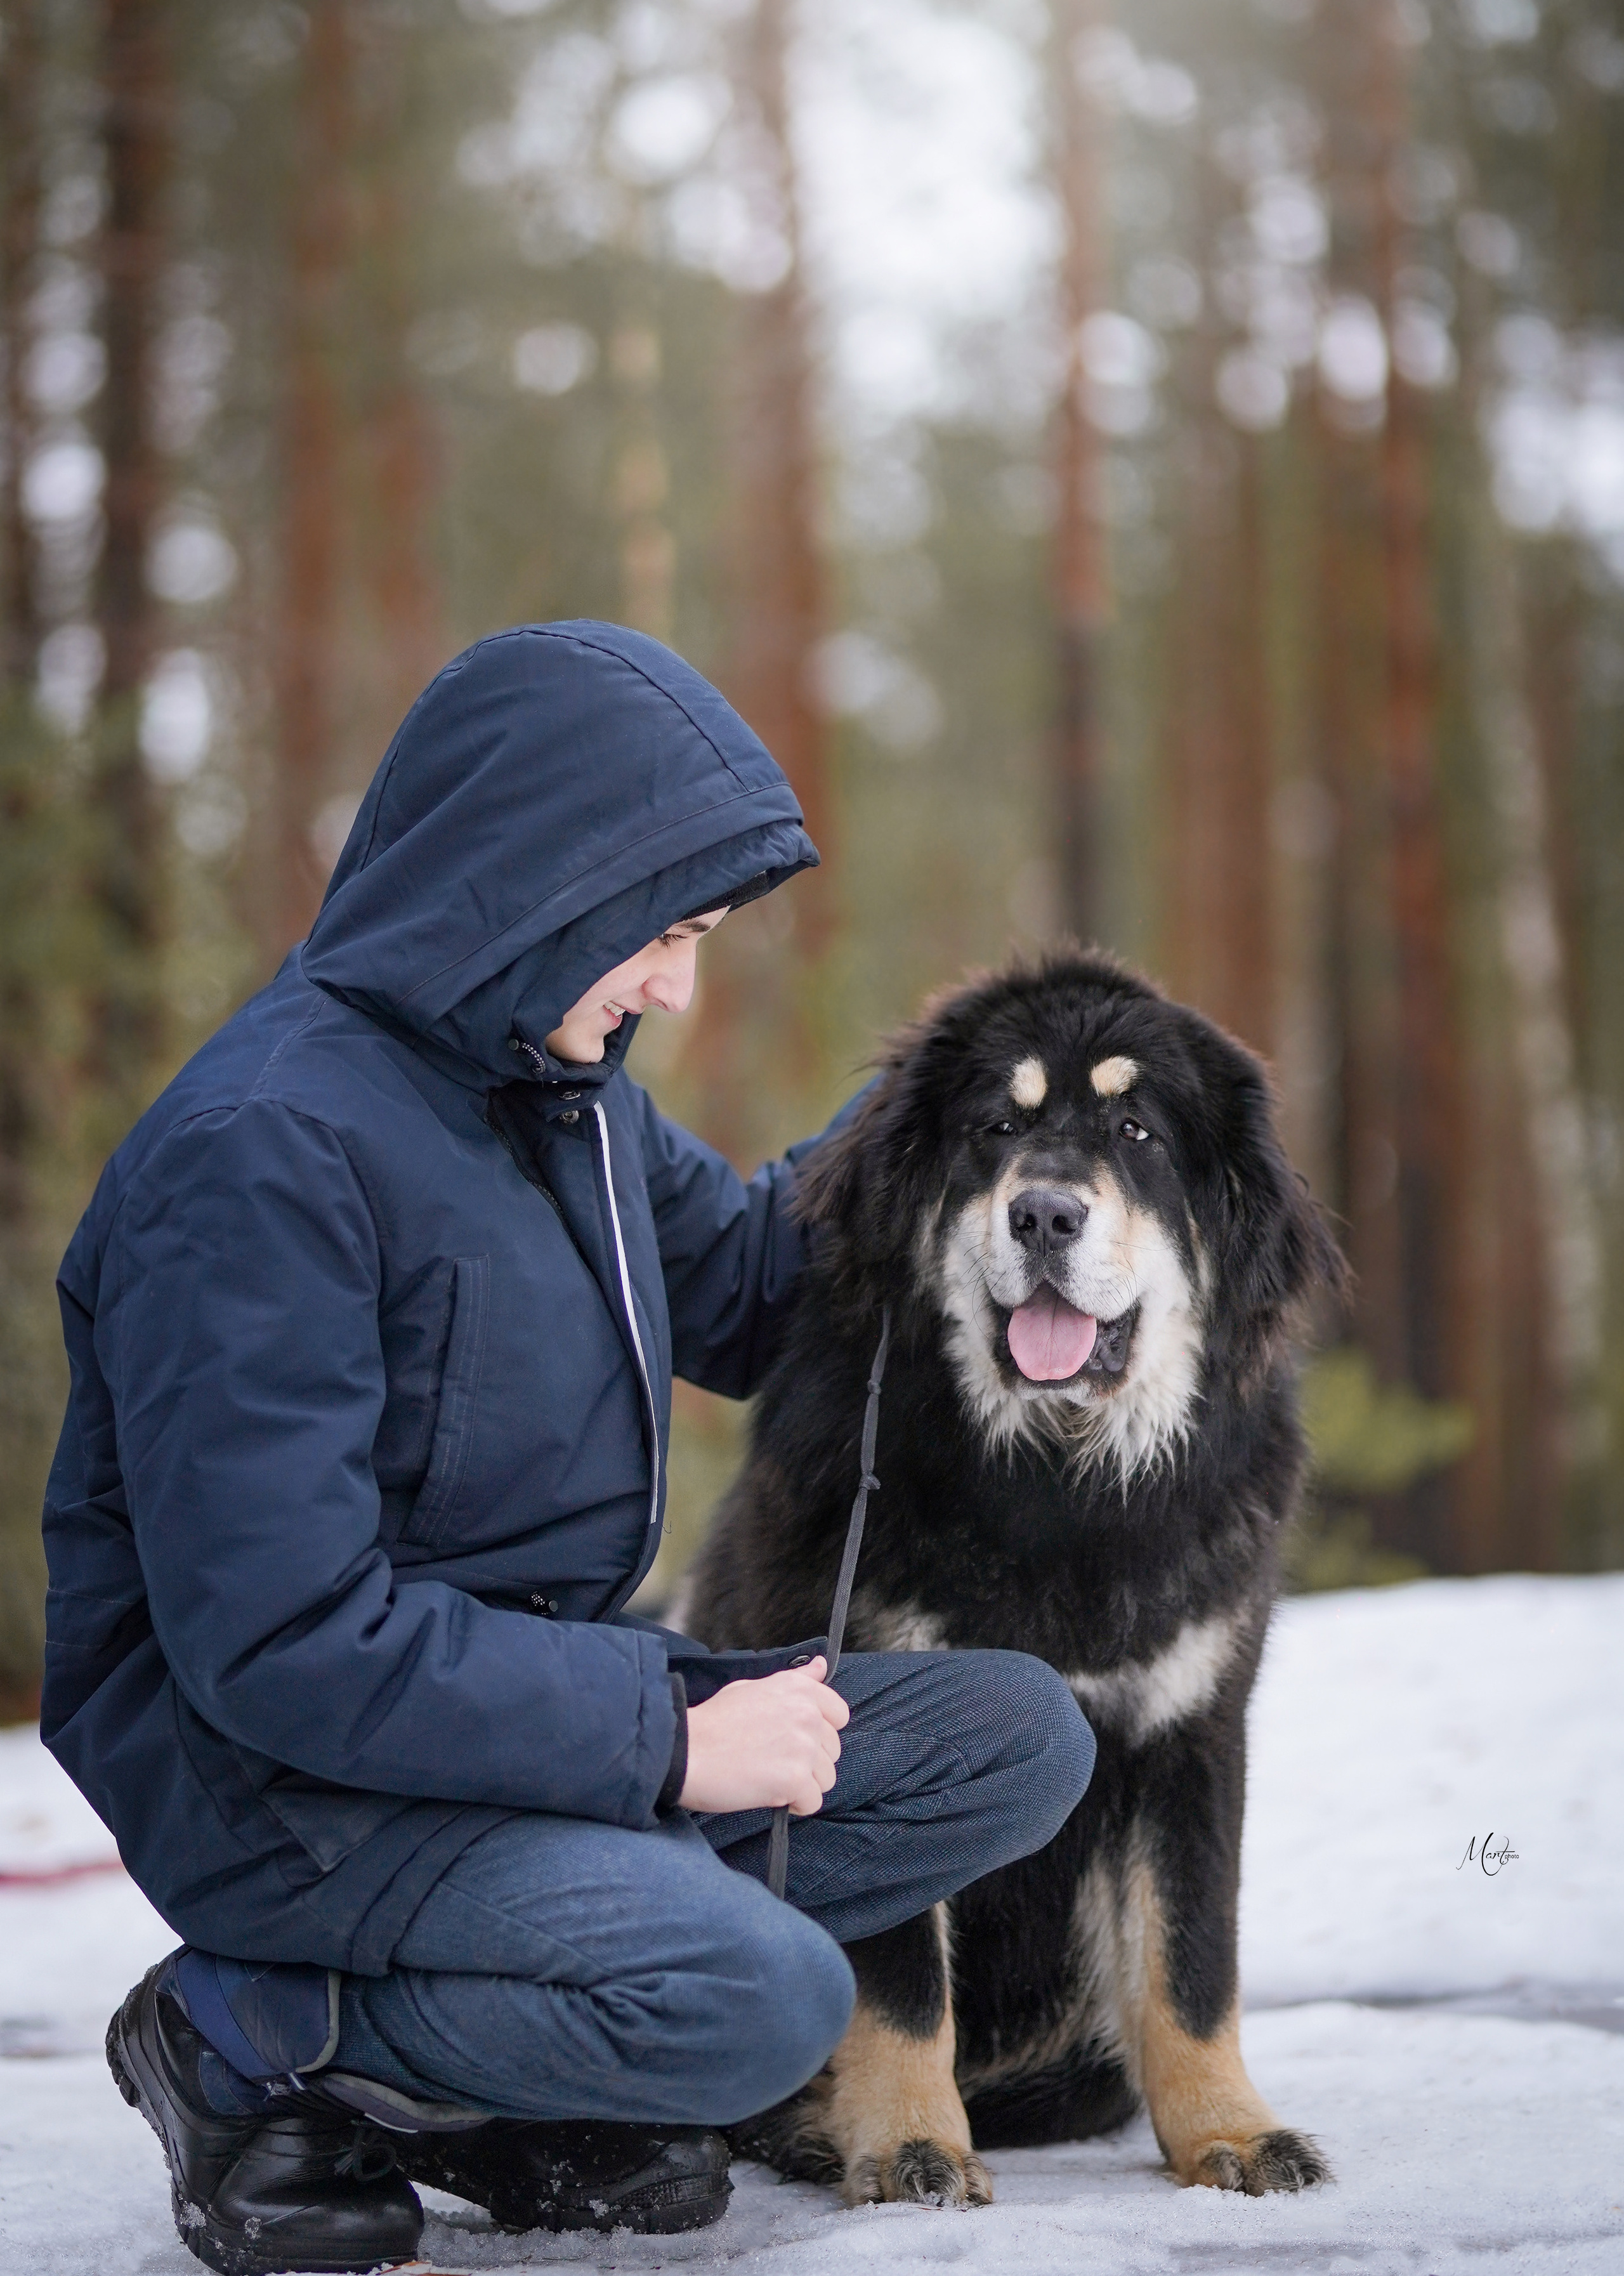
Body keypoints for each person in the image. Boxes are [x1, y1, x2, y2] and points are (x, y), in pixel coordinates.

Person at [42, 622, 1095, 2276]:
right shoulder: (258, 1157)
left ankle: (514, 2060)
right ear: (531, 885)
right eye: (663, 931)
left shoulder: (562, 1087)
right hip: (289, 1782)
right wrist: (672, 1743)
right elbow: (279, 1643)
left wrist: (953, 1109)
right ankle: (250, 2026)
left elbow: (757, 1288)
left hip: (520, 1722)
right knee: (760, 1996)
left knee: (1013, 1738)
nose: (676, 982)